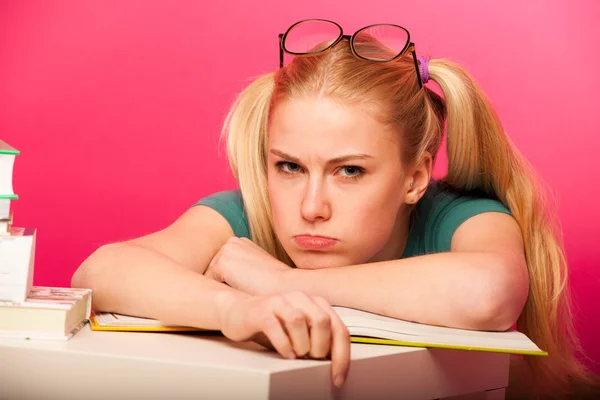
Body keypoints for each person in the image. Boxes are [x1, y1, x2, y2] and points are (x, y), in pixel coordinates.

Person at [72, 19, 596, 399]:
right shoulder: (246, 215)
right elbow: (102, 269)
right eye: (289, 167)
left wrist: (278, 283)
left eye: (349, 171)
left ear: (414, 178)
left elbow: (491, 292)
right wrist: (234, 308)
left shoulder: (463, 216)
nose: (311, 207)